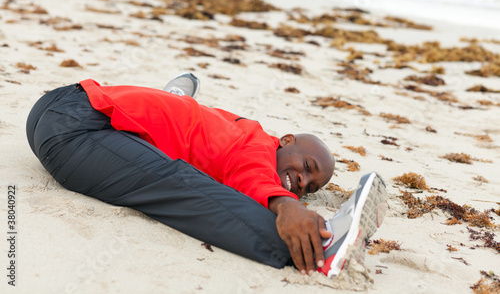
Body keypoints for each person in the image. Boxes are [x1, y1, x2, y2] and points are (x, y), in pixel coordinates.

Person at [26, 73, 387, 278]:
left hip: (60, 107)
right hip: (75, 130)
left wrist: (177, 93)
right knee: (178, 184)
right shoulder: (256, 145)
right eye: (307, 167)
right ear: (286, 140)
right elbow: (253, 175)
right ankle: (320, 246)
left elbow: (179, 114)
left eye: (310, 187)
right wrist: (288, 207)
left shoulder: (229, 123)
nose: (302, 181)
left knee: (176, 161)